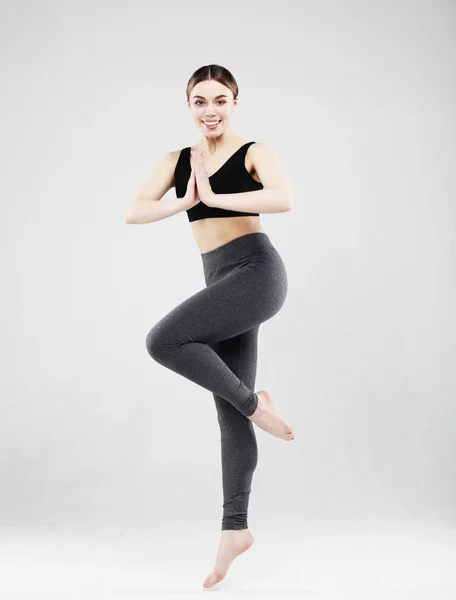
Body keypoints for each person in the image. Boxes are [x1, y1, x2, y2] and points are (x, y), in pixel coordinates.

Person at [124, 64, 295, 589]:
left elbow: (282, 199)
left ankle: (254, 404)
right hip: (219, 278)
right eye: (200, 102)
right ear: (189, 105)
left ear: (235, 102)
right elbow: (134, 210)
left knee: (165, 340)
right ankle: (234, 529)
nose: (210, 110)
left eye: (220, 100)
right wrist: (185, 200)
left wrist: (216, 197)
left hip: (256, 272)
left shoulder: (252, 153)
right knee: (228, 416)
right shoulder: (178, 162)